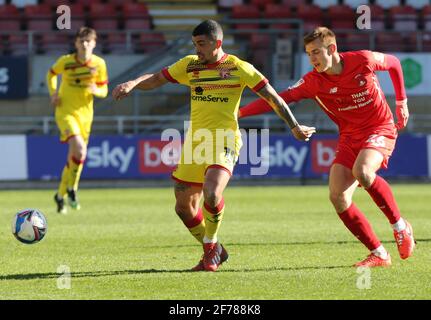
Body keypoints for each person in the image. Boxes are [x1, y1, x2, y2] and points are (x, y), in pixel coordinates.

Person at [112, 20, 315, 272]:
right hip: (196, 142)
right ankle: (216, 248)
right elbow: (155, 79)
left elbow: (273, 97)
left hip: (225, 139)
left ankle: (209, 250)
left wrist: (294, 126)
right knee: (183, 207)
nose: (197, 49)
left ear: (217, 43)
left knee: (212, 192)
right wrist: (132, 83)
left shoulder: (240, 68)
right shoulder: (190, 65)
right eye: (195, 44)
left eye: (201, 44)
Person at [239, 27, 415, 268]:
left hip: (379, 128)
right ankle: (379, 254)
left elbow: (394, 63)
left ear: (332, 49)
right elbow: (278, 99)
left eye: (316, 53)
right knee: (338, 197)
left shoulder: (363, 59)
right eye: (308, 54)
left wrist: (402, 102)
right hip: (349, 137)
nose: (312, 59)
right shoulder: (313, 82)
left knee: (363, 172)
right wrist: (240, 113)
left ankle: (400, 226)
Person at [46, 27, 108, 214]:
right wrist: (53, 93)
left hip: (86, 115)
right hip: (65, 112)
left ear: (94, 43)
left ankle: (61, 194)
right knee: (79, 148)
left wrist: (96, 91)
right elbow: (51, 74)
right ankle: (72, 190)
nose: (84, 44)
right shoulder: (66, 62)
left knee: (77, 156)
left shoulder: (99, 64)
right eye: (81, 41)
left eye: (88, 41)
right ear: (76, 43)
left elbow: (104, 90)